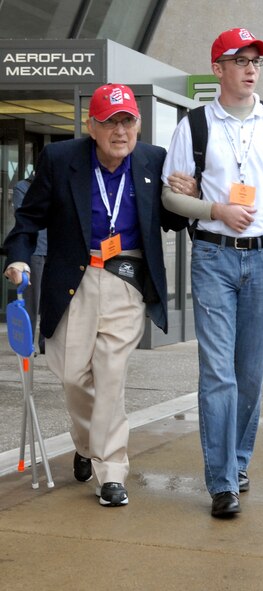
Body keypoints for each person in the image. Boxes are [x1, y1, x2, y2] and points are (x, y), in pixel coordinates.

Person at [3, 83, 187, 507]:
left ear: (138, 124)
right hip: (75, 279)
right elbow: (29, 219)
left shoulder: (153, 160)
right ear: (92, 126)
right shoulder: (61, 158)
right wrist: (19, 258)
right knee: (70, 373)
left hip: (125, 277)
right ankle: (85, 442)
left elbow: (172, 222)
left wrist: (186, 197)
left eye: (128, 121)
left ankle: (111, 470)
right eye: (110, 123)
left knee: (110, 376)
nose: (120, 131)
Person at [162, 28, 263, 518]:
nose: (251, 68)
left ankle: (239, 461)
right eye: (240, 60)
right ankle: (222, 482)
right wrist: (215, 208)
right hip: (213, 257)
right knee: (219, 374)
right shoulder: (193, 126)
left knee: (250, 374)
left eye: (256, 61)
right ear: (218, 69)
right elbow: (171, 196)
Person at [12, 172, 47, 354]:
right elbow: (24, 218)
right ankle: (28, 344)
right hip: (34, 252)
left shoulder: (54, 187)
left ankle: (45, 343)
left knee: (50, 301)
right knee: (32, 302)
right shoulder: (22, 188)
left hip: (54, 250)